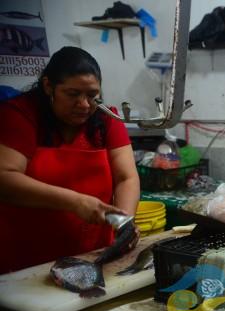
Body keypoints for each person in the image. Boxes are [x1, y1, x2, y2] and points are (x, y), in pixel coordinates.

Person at [0, 46, 140, 273]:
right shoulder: (19, 115)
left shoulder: (106, 119)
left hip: (92, 255)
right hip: (25, 258)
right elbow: (4, 178)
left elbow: (126, 177)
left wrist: (123, 223)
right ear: (48, 86)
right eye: (73, 94)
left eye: (92, 96)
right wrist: (75, 202)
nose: (85, 104)